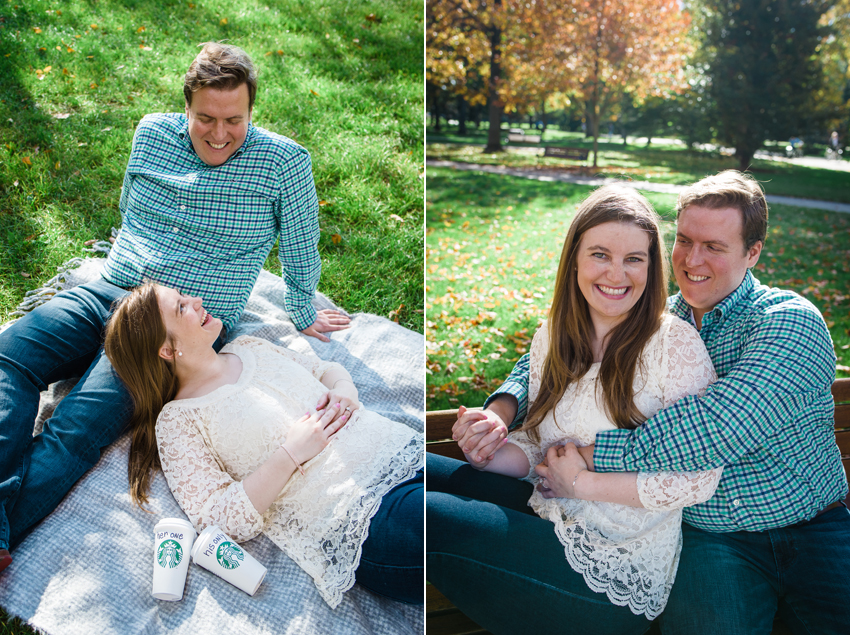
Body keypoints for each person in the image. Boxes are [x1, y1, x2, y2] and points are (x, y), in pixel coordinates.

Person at [0, 42, 350, 572]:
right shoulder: (151, 134)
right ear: (185, 105)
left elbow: (302, 247)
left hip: (180, 329)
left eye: (234, 120)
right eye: (205, 118)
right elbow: (129, 209)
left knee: (76, 427)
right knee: (9, 357)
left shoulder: (284, 162)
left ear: (252, 110)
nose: (218, 133)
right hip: (110, 291)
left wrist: (302, 309)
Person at [456, 170, 850, 633]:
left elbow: (714, 429)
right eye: (684, 240)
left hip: (814, 529)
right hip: (712, 540)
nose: (692, 259)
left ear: (753, 252)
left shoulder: (787, 322)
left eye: (715, 246)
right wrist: (503, 406)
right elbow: (557, 358)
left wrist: (586, 460)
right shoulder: (659, 316)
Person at [427, 186, 723, 634]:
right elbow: (536, 443)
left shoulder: (672, 343)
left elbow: (699, 478)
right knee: (413, 465)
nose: (617, 274)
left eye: (634, 259)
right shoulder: (552, 334)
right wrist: (489, 449)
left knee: (426, 513)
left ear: (652, 265)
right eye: (600, 254)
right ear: (576, 259)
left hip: (611, 573)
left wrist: (584, 483)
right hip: (546, 515)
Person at [104, 282, 423, 605]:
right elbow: (216, 518)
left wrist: (344, 392)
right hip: (362, 515)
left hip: (402, 452)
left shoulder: (250, 346)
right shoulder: (178, 421)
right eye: (182, 307)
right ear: (167, 350)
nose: (198, 300)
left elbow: (325, 370)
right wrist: (291, 454)